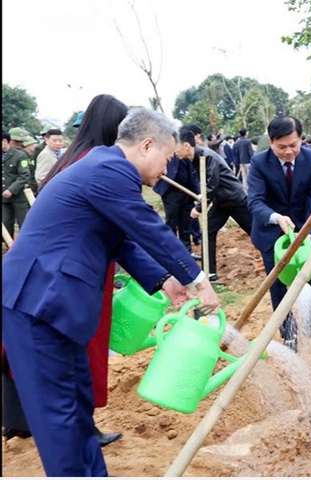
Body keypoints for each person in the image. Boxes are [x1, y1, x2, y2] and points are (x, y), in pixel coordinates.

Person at [2, 107, 219, 476]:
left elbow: (122, 242)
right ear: (147, 145)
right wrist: (198, 280)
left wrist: (165, 281)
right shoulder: (109, 169)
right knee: (59, 416)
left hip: (58, 305)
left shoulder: (104, 169)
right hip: (35, 303)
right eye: (166, 159)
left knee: (77, 405)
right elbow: (149, 227)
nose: (166, 171)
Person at [37, 94, 130, 447]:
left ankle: (22, 421)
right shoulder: (100, 163)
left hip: (51, 268)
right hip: (83, 271)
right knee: (84, 347)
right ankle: (82, 428)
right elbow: (127, 227)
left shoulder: (72, 159)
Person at [247, 115, 311, 353]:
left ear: (301, 139)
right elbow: (254, 202)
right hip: (271, 233)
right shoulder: (259, 163)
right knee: (278, 284)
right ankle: (289, 336)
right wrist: (276, 218)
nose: (288, 151)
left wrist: (307, 229)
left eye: (293, 145)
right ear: (271, 141)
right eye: (281, 147)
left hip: (304, 232)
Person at [186, 129, 253, 282]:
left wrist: (198, 208)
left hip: (235, 199)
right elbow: (208, 184)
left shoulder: (207, 157)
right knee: (208, 230)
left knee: (254, 230)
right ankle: (209, 272)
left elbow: (212, 184)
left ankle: (277, 259)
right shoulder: (195, 158)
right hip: (221, 201)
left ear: (185, 145)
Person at [153, 130, 202, 259]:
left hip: (187, 192)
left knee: (185, 224)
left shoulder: (187, 155)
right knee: (172, 222)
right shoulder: (168, 152)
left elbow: (193, 174)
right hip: (171, 193)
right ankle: (172, 253)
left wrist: (199, 194)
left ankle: (187, 252)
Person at [2, 130, 30, 241]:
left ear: (5, 141)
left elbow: (24, 175)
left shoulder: (20, 155)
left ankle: (25, 244)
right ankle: (9, 245)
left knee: (23, 222)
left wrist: (11, 190)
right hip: (4, 198)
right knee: (6, 222)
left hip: (18, 197)